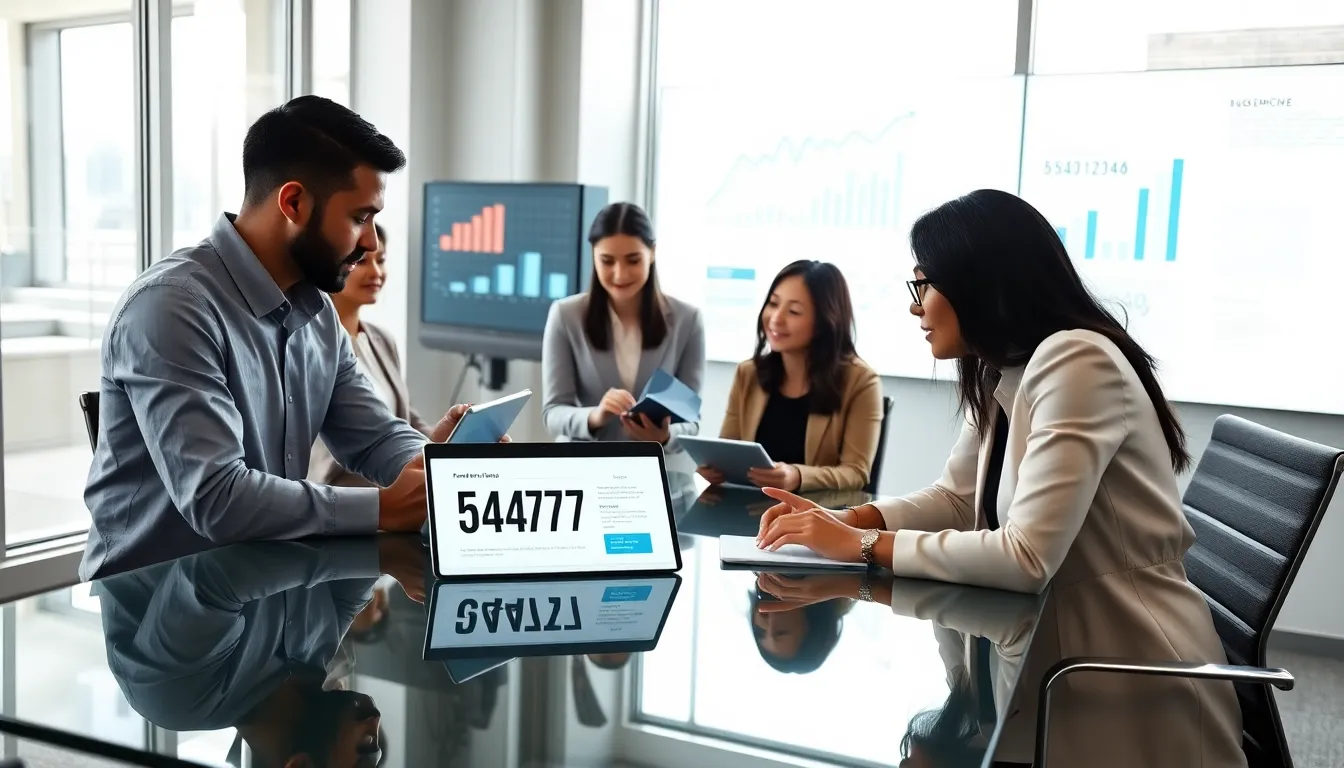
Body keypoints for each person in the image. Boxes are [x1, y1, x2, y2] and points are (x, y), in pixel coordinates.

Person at [755, 190, 1245, 766]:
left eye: (923, 286)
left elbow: (1026, 559)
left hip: (1119, 678)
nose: (916, 308)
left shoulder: (1076, 361)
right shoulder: (1006, 368)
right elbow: (957, 499)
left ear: (978, 283)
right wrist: (847, 520)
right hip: (1049, 659)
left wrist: (863, 547)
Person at [82, 96, 475, 580]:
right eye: (359, 218)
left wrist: (440, 468)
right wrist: (382, 509)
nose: (371, 242)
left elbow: (372, 437)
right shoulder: (172, 307)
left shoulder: (318, 313)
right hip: (158, 614)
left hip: (267, 595)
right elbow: (217, 498)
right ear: (293, 203)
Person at [698, 260, 883, 492]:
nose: (776, 318)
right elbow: (729, 448)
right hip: (751, 512)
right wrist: (715, 467)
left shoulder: (862, 381)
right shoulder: (749, 374)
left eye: (794, 311)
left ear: (826, 320)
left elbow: (856, 472)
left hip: (818, 517)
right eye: (773, 304)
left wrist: (797, 476)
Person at [542, 202, 705, 448]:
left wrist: (664, 437)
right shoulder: (566, 316)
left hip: (656, 469)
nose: (620, 274)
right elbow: (553, 412)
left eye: (633, 260)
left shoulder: (687, 320)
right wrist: (595, 416)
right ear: (593, 256)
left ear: (652, 253)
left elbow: (692, 422)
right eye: (607, 261)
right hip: (582, 467)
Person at [308, 224, 437, 486]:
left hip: (392, 481)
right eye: (362, 262)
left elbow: (404, 420)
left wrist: (454, 444)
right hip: (345, 493)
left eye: (382, 260)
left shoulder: (381, 340)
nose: (376, 272)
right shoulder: (312, 344)